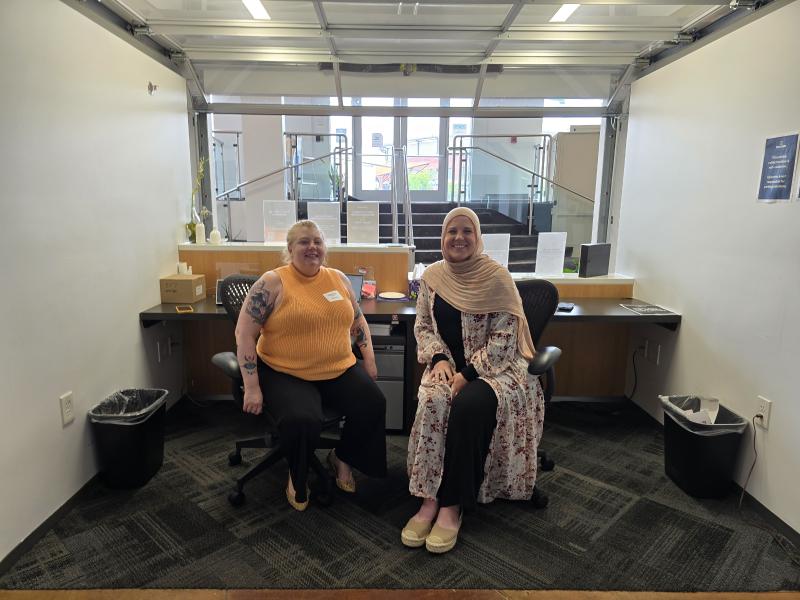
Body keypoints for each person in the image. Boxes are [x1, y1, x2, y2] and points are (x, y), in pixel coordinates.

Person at [402, 207, 544, 553]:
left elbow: (504, 340)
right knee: (433, 400)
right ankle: (429, 499)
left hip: (498, 370)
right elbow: (423, 326)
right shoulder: (433, 277)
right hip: (447, 365)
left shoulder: (497, 277)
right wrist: (438, 358)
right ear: (443, 238)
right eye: (452, 231)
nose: (459, 238)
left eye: (467, 231)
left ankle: (452, 505)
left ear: (477, 237)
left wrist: (469, 374)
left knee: (467, 407)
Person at [235, 220, 387, 511]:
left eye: (317, 241)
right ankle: (297, 473)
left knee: (373, 403)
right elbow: (244, 334)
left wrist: (369, 359)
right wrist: (251, 386)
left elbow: (358, 321)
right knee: (302, 419)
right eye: (304, 242)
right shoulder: (272, 282)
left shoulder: (338, 279)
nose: (312, 247)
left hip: (337, 367)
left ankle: (342, 457)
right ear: (290, 248)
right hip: (285, 371)